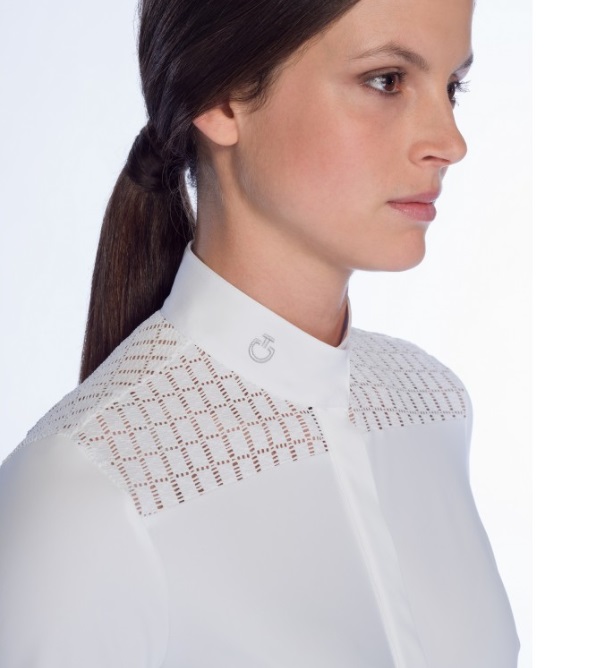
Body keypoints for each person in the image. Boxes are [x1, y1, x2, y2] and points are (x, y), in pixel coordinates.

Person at [0, 0, 520, 665]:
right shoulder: (86, 493)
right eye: (386, 80)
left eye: (452, 87)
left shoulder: (433, 408)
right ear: (222, 99)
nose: (450, 141)